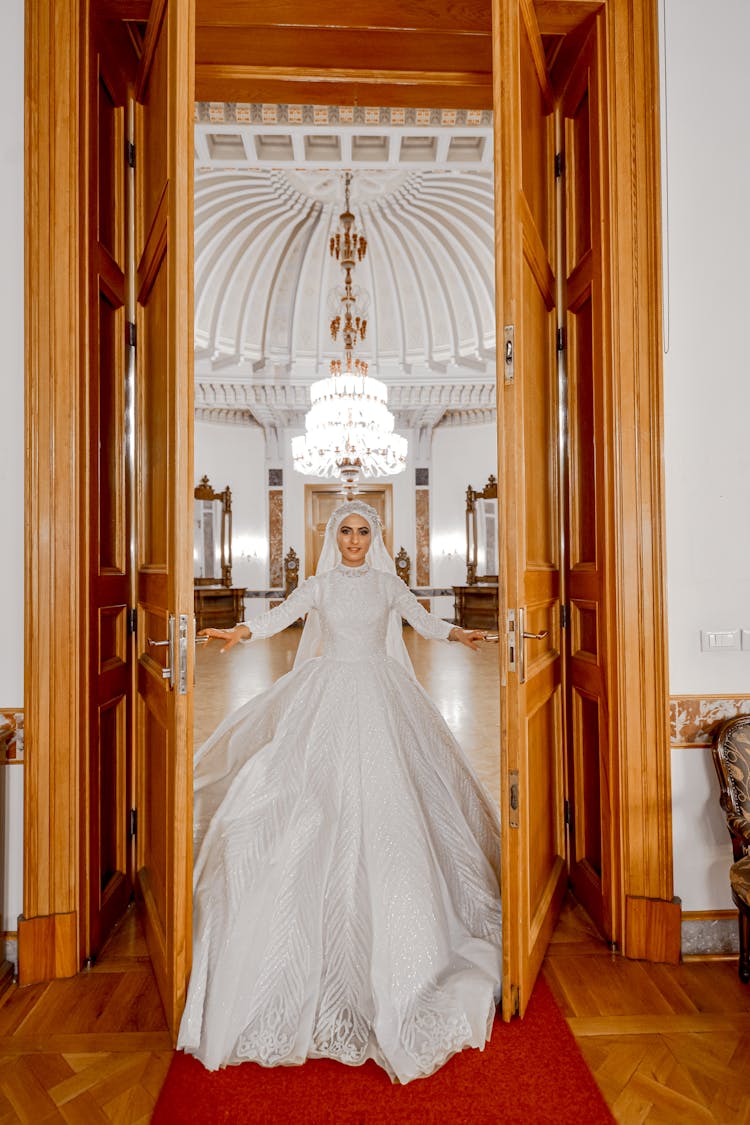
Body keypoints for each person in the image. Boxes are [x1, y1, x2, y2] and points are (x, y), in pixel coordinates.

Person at [177, 500, 502, 1084]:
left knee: (398, 796)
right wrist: (242, 629)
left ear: (374, 537)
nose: (354, 539)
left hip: (381, 691)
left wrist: (458, 632)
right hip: (326, 693)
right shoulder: (319, 584)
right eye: (346, 531)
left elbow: (422, 621)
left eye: (362, 532)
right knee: (306, 799)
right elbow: (280, 617)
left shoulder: (387, 583)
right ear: (334, 536)